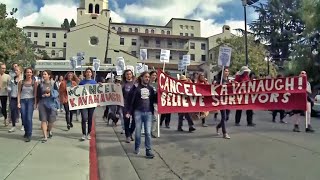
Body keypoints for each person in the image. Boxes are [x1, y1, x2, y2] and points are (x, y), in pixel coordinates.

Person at [126, 71, 156, 159]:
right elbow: (130, 100)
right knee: (138, 132)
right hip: (138, 112)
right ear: (142, 77)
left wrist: (160, 94)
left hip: (148, 112)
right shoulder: (135, 87)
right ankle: (137, 147)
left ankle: (148, 150)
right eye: (145, 77)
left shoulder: (151, 88)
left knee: (147, 132)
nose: (147, 78)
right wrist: (128, 111)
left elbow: (154, 99)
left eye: (148, 77)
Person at [37, 70, 59, 143]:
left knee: (51, 121)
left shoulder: (53, 83)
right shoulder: (40, 84)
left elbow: (57, 93)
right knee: (43, 120)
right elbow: (38, 94)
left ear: (49, 75)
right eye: (43, 74)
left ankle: (49, 130)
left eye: (45, 74)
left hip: (52, 104)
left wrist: (50, 94)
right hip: (42, 103)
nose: (43, 75)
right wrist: (41, 96)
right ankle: (45, 136)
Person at [17, 67, 38, 142]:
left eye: (30, 72)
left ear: (32, 73)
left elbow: (35, 94)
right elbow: (19, 93)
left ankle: (29, 134)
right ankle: (26, 132)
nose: (29, 73)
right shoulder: (21, 82)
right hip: (22, 100)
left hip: (30, 101)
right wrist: (18, 103)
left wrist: (35, 103)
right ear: (25, 73)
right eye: (27, 72)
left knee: (29, 118)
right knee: (23, 117)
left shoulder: (34, 83)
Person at [79, 68, 97, 140]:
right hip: (83, 103)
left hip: (91, 103)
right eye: (87, 72)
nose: (88, 73)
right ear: (85, 73)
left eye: (90, 72)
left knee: (90, 118)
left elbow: (97, 92)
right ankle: (84, 133)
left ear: (92, 74)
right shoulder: (81, 82)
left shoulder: (94, 82)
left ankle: (89, 133)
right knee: (84, 118)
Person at [215, 68, 231, 139]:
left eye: (228, 71)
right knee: (224, 117)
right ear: (222, 72)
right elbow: (215, 88)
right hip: (221, 101)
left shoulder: (228, 81)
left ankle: (218, 126)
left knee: (226, 117)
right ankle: (224, 133)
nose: (227, 72)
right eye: (225, 71)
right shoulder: (219, 81)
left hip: (228, 100)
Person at [8, 65, 23, 132]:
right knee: (13, 111)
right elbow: (9, 87)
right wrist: (8, 89)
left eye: (17, 70)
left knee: (22, 112)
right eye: (15, 70)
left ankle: (23, 125)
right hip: (13, 97)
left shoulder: (23, 79)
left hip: (21, 98)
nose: (16, 72)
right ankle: (13, 126)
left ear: (20, 71)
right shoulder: (13, 78)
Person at [122, 69, 136, 143]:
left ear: (132, 75)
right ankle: (127, 136)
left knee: (135, 121)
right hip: (125, 105)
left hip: (135, 105)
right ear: (125, 75)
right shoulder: (122, 84)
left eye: (130, 74)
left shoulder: (136, 84)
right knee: (126, 121)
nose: (128, 75)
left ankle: (130, 133)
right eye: (127, 74)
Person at [149, 71, 158, 138]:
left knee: (155, 117)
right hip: (147, 103)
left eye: (155, 75)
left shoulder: (158, 84)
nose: (154, 76)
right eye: (153, 75)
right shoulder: (147, 84)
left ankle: (153, 131)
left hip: (155, 103)